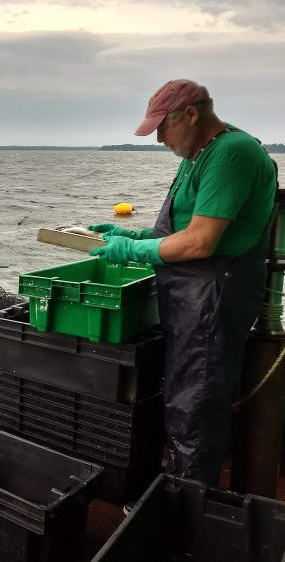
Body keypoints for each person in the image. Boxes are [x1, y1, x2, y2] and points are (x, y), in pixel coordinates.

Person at [89, 79, 277, 486]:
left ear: (191, 114)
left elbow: (200, 242)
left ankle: (189, 510)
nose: (158, 138)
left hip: (213, 297)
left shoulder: (232, 154)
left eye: (163, 126)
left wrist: (134, 252)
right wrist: (134, 236)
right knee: (182, 393)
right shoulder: (199, 153)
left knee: (197, 402)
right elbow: (182, 227)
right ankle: (177, 486)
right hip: (190, 297)